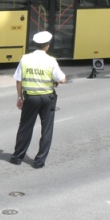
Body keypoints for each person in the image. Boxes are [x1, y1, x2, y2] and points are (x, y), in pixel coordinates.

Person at [10, 31, 66, 169]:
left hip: (30, 98)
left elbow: (19, 80)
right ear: (47, 46)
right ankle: (39, 161)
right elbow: (63, 79)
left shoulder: (25, 59)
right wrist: (54, 81)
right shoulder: (51, 60)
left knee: (25, 127)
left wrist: (19, 97)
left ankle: (17, 157)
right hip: (47, 98)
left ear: (35, 44)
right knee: (46, 129)